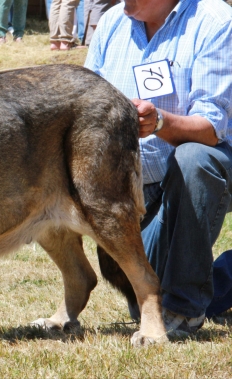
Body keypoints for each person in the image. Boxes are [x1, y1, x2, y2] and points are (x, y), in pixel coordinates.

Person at [85, 0, 232, 334]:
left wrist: (159, 122)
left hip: (204, 168)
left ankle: (186, 308)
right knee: (147, 297)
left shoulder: (217, 21)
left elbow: (211, 128)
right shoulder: (111, 22)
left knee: (194, 158)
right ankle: (203, 284)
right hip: (133, 191)